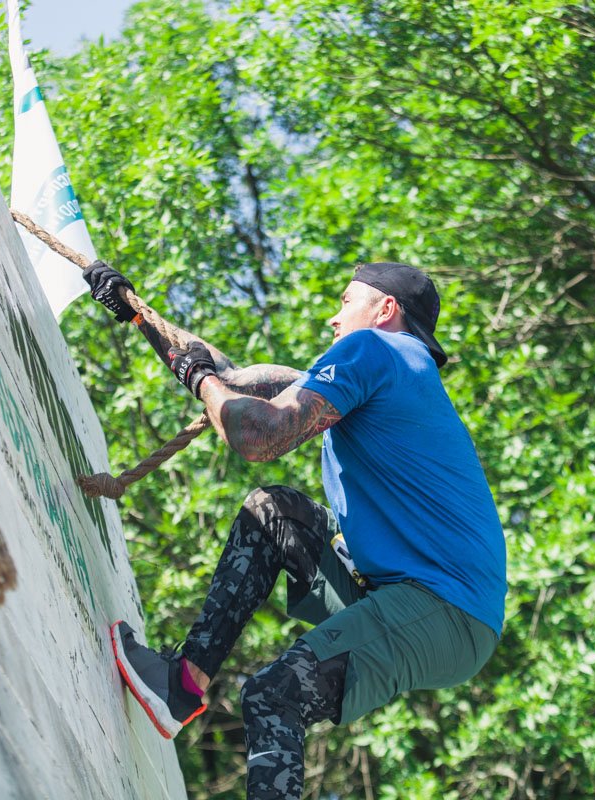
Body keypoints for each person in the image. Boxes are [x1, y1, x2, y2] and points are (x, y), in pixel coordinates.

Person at [83, 260, 506, 799]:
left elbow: (259, 435)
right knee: (273, 512)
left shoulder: (374, 351)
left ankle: (184, 689)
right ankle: (180, 684)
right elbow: (236, 381)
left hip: (445, 606)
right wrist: (140, 315)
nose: (334, 317)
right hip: (414, 598)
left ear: (384, 310)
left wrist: (201, 380)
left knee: (272, 696)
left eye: (347, 300)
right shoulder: (388, 370)